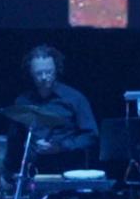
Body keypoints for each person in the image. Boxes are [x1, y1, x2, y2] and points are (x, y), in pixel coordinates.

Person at [8, 45, 99, 175]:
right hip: (33, 171)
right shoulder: (23, 102)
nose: (44, 77)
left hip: (68, 169)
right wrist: (8, 172)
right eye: (39, 73)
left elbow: (91, 136)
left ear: (56, 70)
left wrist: (61, 146)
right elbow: (14, 142)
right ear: (31, 73)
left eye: (49, 72)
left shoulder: (74, 98)